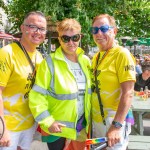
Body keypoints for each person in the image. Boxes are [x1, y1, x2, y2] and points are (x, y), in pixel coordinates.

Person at [29, 18, 91, 150]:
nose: (71, 42)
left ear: (80, 37)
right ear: (59, 38)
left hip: (80, 128)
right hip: (57, 130)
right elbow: (37, 96)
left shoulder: (86, 61)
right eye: (65, 38)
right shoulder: (49, 62)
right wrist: (48, 121)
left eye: (75, 37)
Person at [0, 11, 47, 150]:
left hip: (29, 126)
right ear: (22, 28)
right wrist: (2, 129)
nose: (38, 32)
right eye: (33, 27)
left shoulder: (39, 57)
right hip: (8, 127)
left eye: (42, 29)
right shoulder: (7, 53)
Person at [90, 14, 136, 149]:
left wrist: (116, 126)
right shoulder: (97, 56)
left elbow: (128, 93)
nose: (99, 33)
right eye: (94, 30)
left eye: (104, 29)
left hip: (114, 122)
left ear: (114, 31)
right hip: (97, 123)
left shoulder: (122, 54)